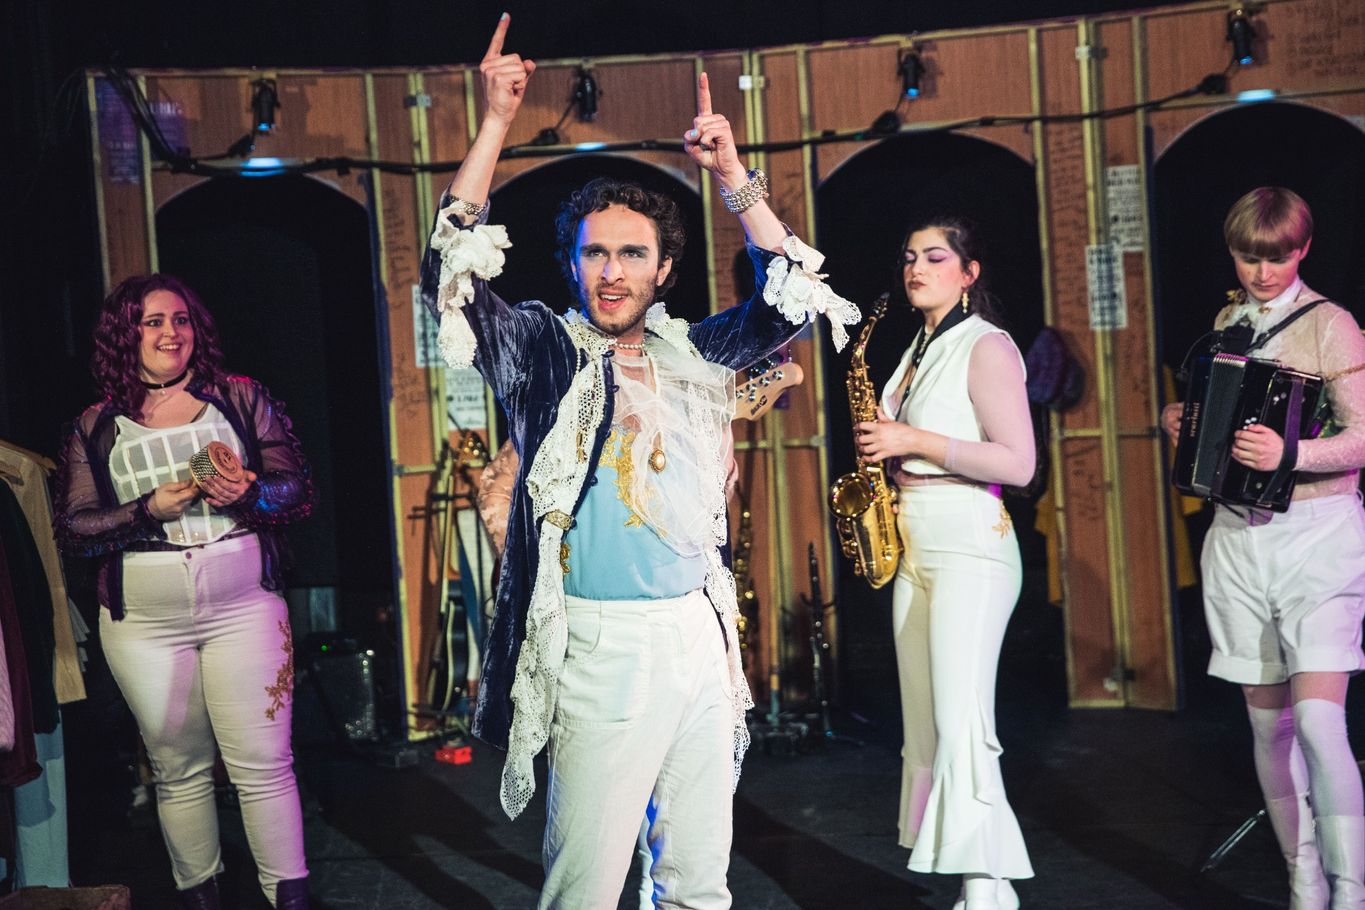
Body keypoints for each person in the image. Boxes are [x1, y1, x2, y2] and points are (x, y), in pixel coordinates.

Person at [419, 14, 858, 907]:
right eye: (595, 253)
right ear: (572, 265)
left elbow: (793, 298)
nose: (612, 271)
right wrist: (495, 122)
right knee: (584, 886)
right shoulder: (542, 350)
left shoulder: (695, 352)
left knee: (698, 882)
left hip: (696, 636)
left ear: (663, 270)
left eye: (632, 254)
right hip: (599, 644)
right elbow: (449, 277)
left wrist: (731, 175)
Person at [53, 274, 313, 910]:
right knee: (177, 769)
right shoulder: (96, 425)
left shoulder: (239, 397)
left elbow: (296, 491)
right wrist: (148, 509)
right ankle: (203, 899)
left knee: (263, 763)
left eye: (181, 319)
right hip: (144, 624)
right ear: (125, 335)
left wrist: (249, 491)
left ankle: (290, 901)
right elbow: (76, 528)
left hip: (244, 606)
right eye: (153, 322)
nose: (171, 333)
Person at [1162, 186, 1365, 909]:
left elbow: (1361, 437)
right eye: (1249, 257)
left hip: (1318, 537)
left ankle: (1350, 890)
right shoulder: (1228, 322)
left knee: (1317, 720)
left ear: (1303, 249)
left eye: (1277, 257)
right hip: (1237, 541)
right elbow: (1220, 426)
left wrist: (1291, 453)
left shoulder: (1332, 325)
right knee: (1267, 726)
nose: (1262, 272)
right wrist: (1184, 420)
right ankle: (1302, 879)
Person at [854, 216, 1036, 909]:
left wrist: (911, 439)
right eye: (909, 257)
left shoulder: (985, 345)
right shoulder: (916, 348)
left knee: (964, 722)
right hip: (917, 541)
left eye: (934, 257)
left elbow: (1019, 463)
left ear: (968, 272)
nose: (916, 268)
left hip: (970, 541)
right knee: (928, 725)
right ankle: (984, 884)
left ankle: (987, 890)